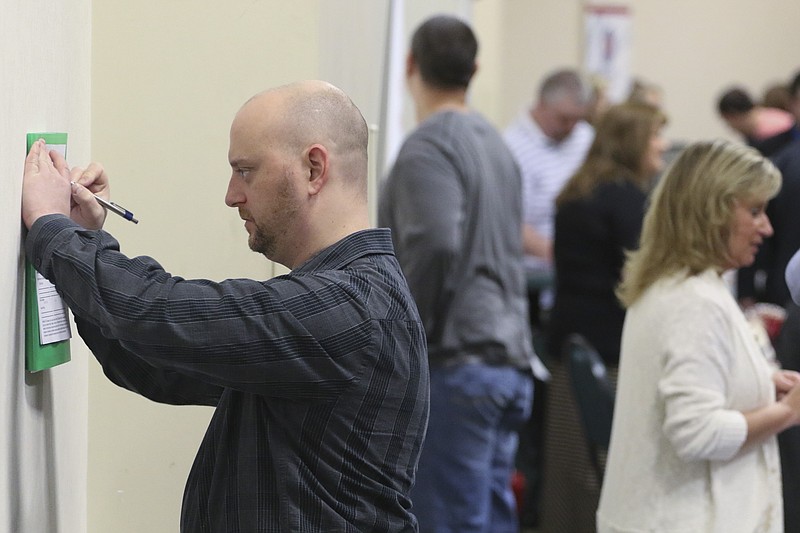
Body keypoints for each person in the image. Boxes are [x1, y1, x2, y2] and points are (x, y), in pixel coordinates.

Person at [21, 80, 429, 533]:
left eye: (246, 171)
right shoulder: (338, 304)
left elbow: (156, 312)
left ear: (314, 169)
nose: (232, 195)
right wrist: (84, 240)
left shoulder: (352, 310)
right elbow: (154, 364)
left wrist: (52, 228)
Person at [379, 15, 535, 533]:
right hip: (507, 361)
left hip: (458, 365)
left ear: (410, 65)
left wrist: (408, 336)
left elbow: (436, 242)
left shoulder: (428, 146)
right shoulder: (498, 145)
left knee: (447, 520)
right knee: (488, 518)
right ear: (474, 69)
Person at [597, 139, 800, 533]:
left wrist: (761, 383)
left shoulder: (673, 284)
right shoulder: (694, 302)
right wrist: (789, 412)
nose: (767, 227)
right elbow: (697, 433)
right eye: (755, 211)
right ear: (713, 212)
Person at [538, 101, 667, 533]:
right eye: (654, 136)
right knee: (605, 472)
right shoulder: (628, 200)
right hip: (611, 353)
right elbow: (643, 277)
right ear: (632, 142)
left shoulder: (577, 190)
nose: (662, 146)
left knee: (566, 470)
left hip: (568, 344)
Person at [717, 86, 796, 157]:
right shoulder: (754, 133)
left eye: (727, 121)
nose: (730, 127)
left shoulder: (780, 129)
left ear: (733, 116)